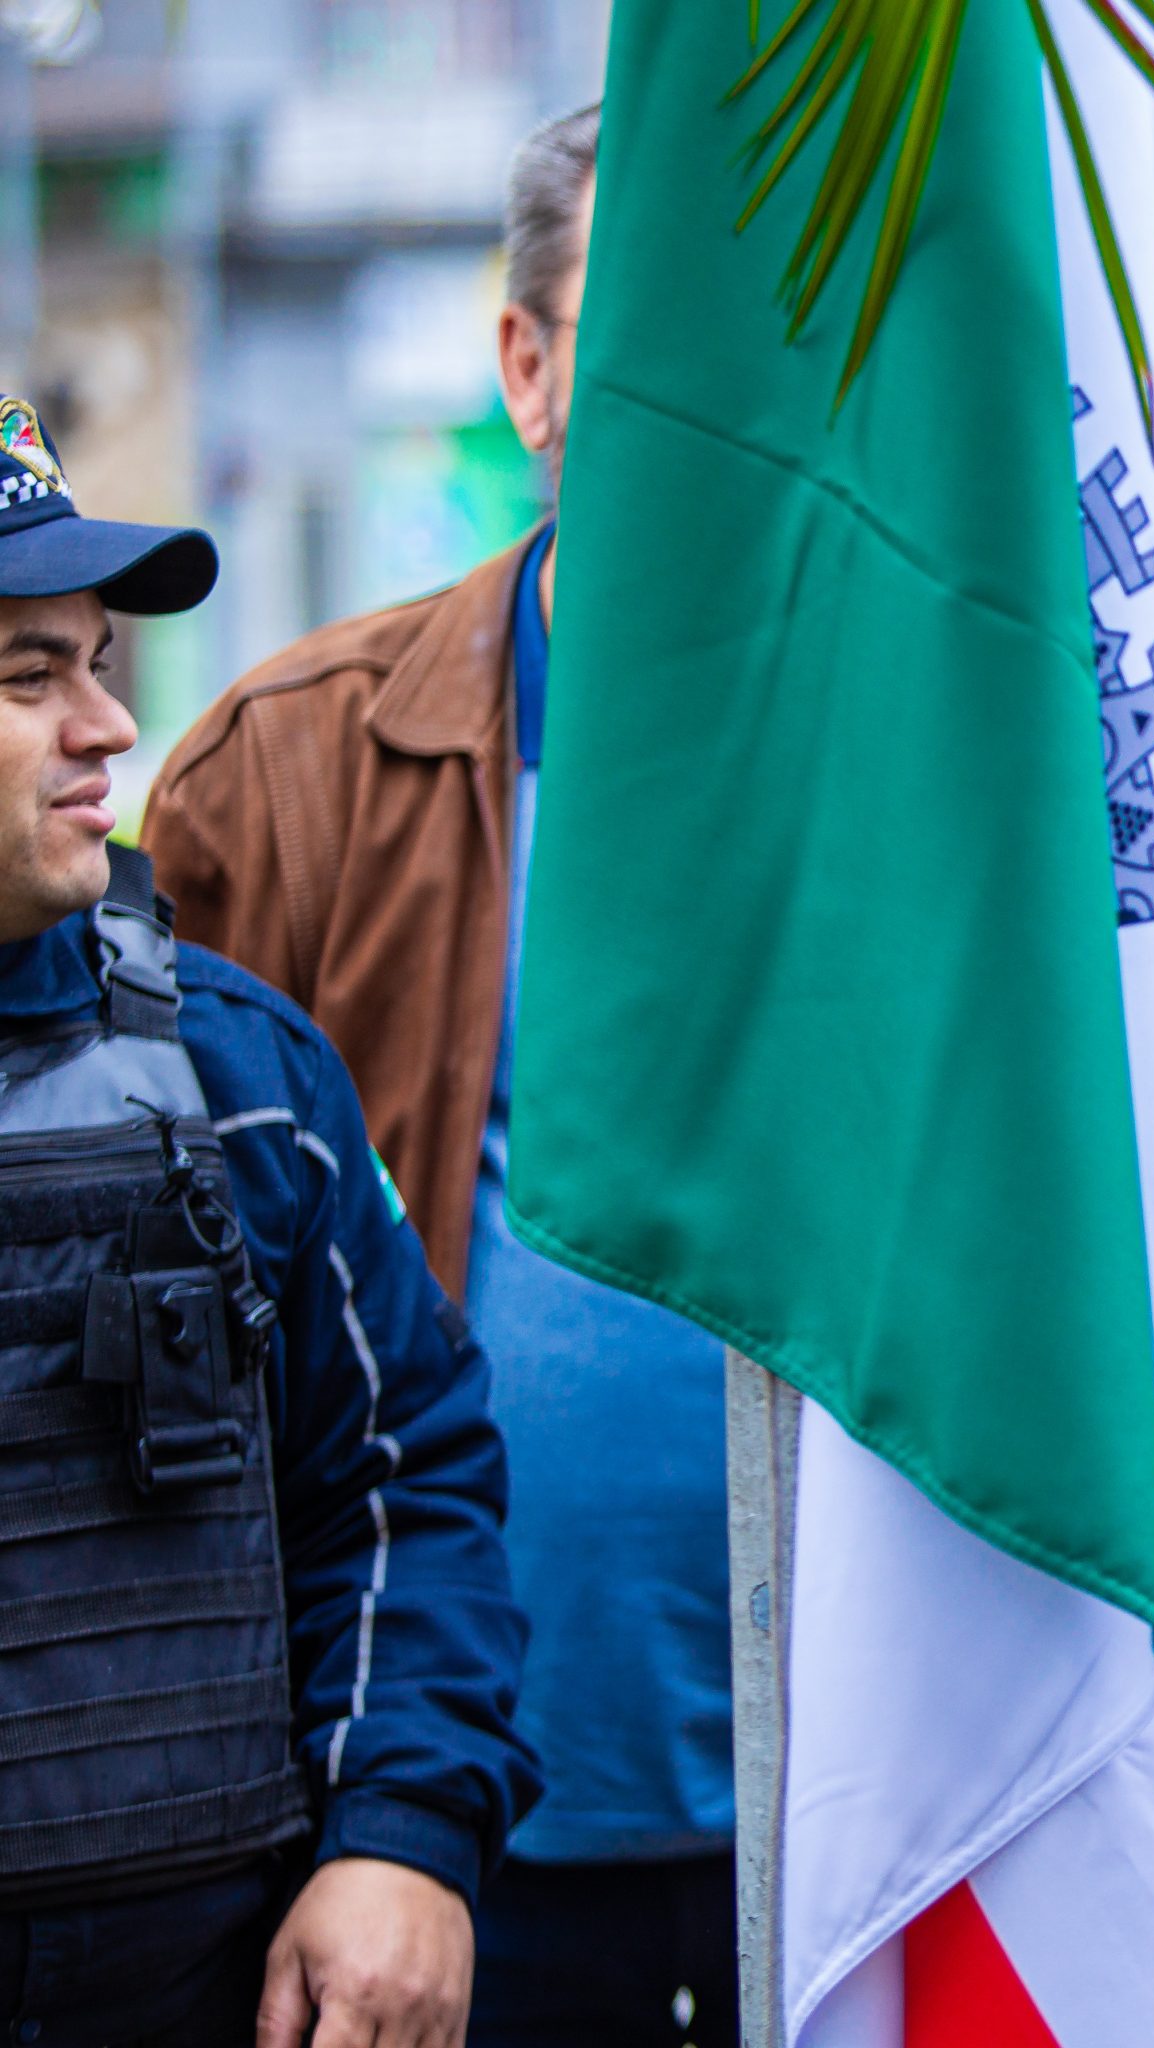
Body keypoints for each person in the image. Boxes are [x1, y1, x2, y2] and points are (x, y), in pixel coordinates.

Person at [141, 105, 740, 2047]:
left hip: (875, 1823)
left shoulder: (954, 776)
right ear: (529, 368)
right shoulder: (288, 770)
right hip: (426, 1852)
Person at [0, 399, 537, 2043]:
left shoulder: (239, 1072)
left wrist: (401, 1836)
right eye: (30, 676)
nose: (107, 723)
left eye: (100, 662)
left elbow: (401, 1473)